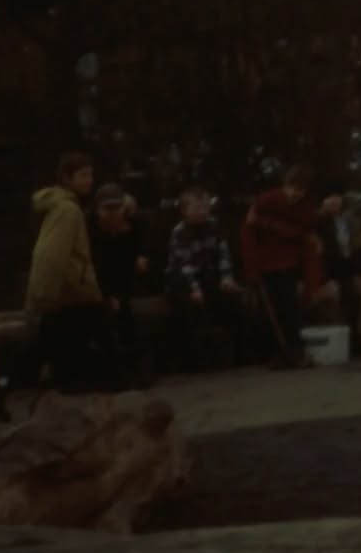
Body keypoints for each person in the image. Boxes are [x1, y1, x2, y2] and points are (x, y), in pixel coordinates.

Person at [26, 152, 113, 391]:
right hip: (74, 289)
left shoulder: (67, 206)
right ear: (67, 178)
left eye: (90, 175)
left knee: (63, 343)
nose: (89, 181)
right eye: (83, 175)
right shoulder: (67, 210)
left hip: (72, 287)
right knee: (89, 339)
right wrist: (46, 293)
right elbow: (52, 254)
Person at [242, 166, 321, 368]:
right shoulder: (266, 201)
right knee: (271, 311)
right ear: (285, 185)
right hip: (266, 263)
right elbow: (249, 235)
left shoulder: (306, 209)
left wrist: (311, 283)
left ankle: (294, 351)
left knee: (289, 308)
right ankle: (279, 354)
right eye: (292, 188)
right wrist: (252, 269)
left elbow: (306, 242)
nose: (295, 194)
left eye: (301, 191)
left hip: (288, 263)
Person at [165, 186, 243, 372]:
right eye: (197, 208)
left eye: (206, 207)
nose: (203, 212)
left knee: (235, 300)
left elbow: (223, 255)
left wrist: (226, 278)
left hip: (210, 275)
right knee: (190, 307)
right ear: (185, 210)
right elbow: (184, 265)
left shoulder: (214, 226)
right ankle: (195, 361)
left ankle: (238, 356)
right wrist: (194, 288)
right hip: (183, 279)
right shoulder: (180, 232)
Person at [89, 182, 152, 385]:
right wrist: (107, 295)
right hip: (98, 287)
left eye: (117, 208)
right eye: (108, 209)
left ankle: (134, 372)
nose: (113, 213)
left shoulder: (132, 227)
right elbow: (96, 268)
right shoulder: (92, 231)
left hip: (125, 285)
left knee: (127, 321)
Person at [317, 185, 361, 339]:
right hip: (328, 270)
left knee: (357, 297)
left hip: (348, 267)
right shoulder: (318, 221)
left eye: (337, 197)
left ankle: (356, 336)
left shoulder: (349, 219)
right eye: (329, 197)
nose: (334, 201)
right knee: (334, 300)